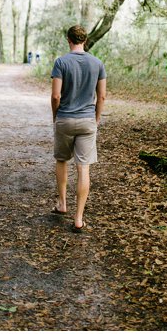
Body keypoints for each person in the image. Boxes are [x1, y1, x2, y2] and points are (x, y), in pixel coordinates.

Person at [50, 25, 106, 233]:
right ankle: (79, 219)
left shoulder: (61, 62)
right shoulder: (98, 63)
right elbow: (101, 96)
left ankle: (62, 204)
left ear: (68, 40)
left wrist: (56, 117)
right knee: (84, 168)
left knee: (62, 160)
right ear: (85, 40)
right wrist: (96, 118)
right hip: (87, 121)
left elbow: (56, 96)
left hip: (65, 119)